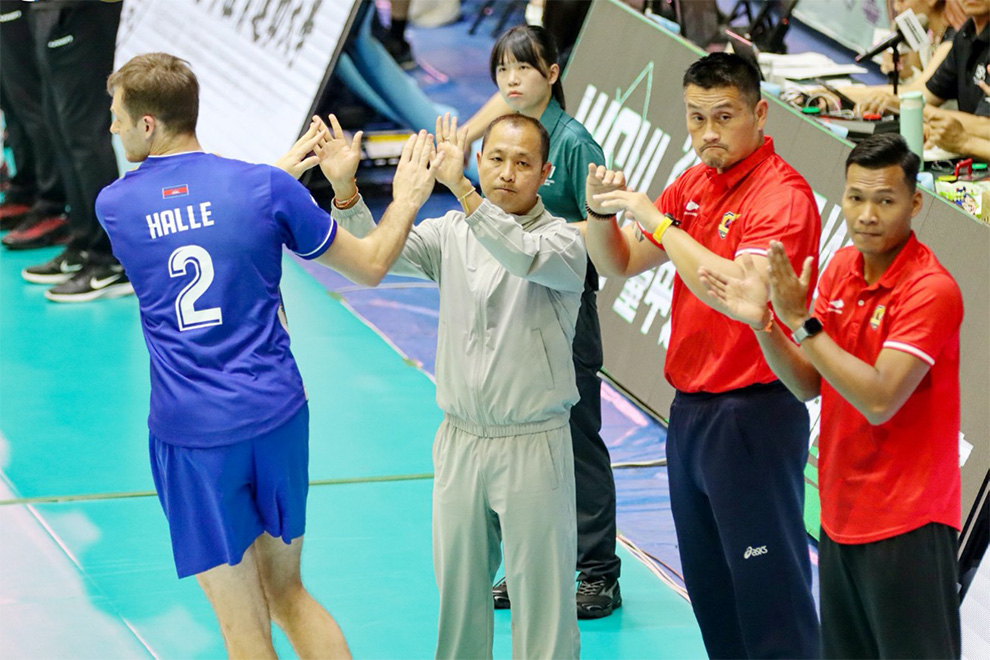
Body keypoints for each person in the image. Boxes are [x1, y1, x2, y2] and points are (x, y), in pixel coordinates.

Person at [96, 52, 441, 658]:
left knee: (244, 632)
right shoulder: (263, 189)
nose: (112, 128)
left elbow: (193, 220)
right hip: (276, 416)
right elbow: (369, 266)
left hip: (195, 435)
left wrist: (266, 181)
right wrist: (408, 197)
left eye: (117, 117)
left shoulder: (116, 206)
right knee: (289, 594)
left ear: (148, 125)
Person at [584, 52, 822, 658]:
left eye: (723, 117)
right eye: (696, 118)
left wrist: (661, 226)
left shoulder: (782, 197)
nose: (708, 133)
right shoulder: (692, 184)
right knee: (713, 595)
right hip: (690, 414)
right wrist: (599, 213)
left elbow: (740, 291)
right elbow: (619, 262)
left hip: (754, 415)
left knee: (771, 602)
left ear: (759, 114)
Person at [323, 111, 584, 660]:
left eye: (523, 163)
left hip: (532, 444)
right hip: (461, 440)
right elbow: (373, 253)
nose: (507, 173)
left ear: (546, 174)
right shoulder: (450, 234)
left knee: (543, 605)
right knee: (459, 602)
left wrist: (463, 189)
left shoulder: (563, 242)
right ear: (479, 159)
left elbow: (520, 255)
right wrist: (346, 191)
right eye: (496, 159)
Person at [698, 133, 963, 659]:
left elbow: (880, 399)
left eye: (885, 200)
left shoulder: (931, 291)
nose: (867, 215)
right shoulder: (841, 268)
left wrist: (802, 322)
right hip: (841, 516)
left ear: (915, 203)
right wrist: (764, 324)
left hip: (908, 523)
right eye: (855, 197)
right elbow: (807, 383)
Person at [465, 24, 621, 618]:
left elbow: (603, 230)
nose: (511, 79)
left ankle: (598, 573)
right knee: (521, 445)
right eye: (503, 69)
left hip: (567, 312)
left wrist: (533, 239)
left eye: (524, 68)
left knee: (577, 442)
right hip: (510, 312)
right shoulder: (507, 137)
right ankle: (530, 563)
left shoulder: (575, 144)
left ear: (552, 74)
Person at [4, 0, 132, 303]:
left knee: (84, 134)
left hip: (81, 11)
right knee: (59, 129)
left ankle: (109, 258)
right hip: (47, 9)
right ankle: (83, 243)